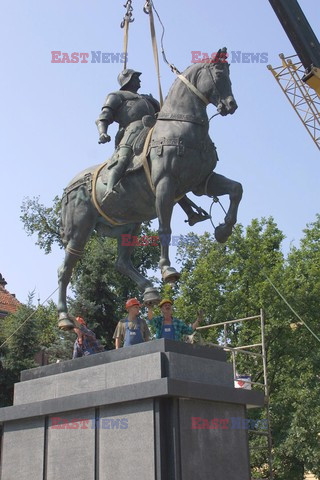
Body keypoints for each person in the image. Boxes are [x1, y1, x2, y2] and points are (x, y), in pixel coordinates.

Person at [95, 68, 210, 225]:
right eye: (136, 77)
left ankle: (191, 213)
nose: (140, 80)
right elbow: (103, 117)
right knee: (123, 159)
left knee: (170, 168)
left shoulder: (148, 99)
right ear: (128, 80)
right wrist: (103, 133)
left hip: (154, 130)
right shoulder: (116, 96)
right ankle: (110, 190)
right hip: (132, 131)